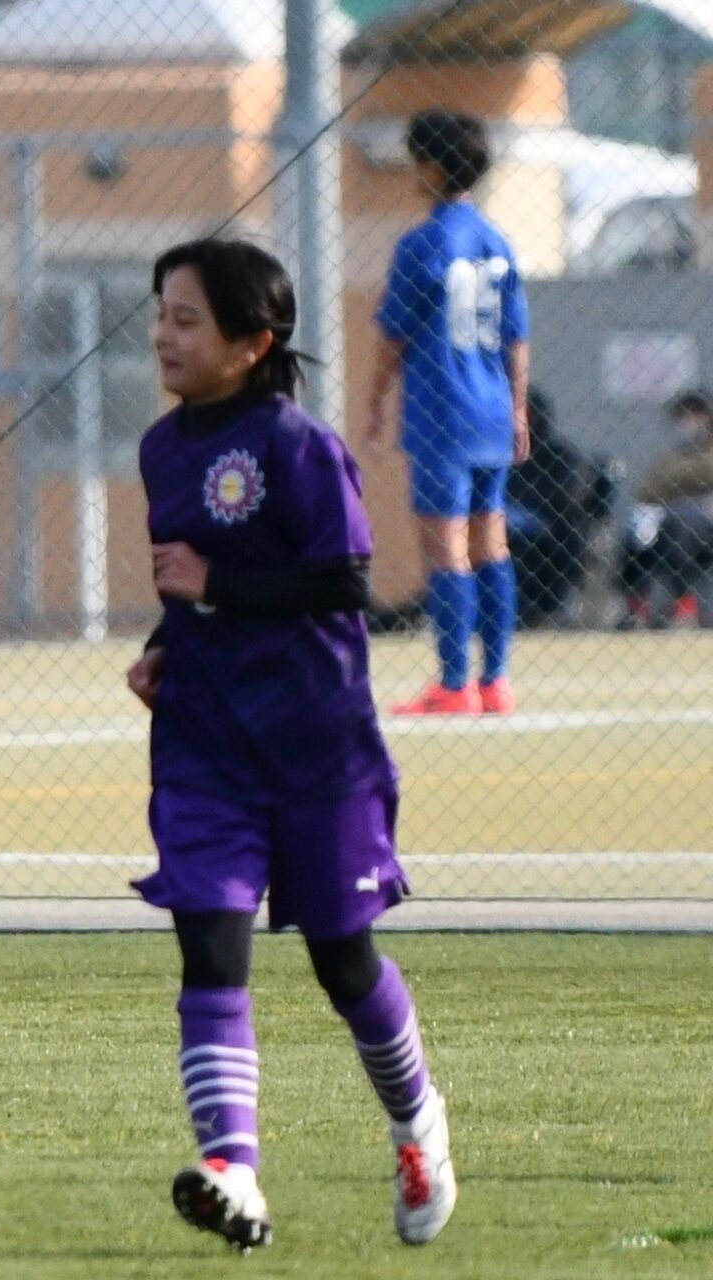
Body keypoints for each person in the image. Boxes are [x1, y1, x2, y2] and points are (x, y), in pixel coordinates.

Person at [129, 239, 454, 1252]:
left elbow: (344, 583)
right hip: (204, 749)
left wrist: (214, 586)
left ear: (252, 343)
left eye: (187, 319)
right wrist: (164, 643)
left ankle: (417, 1123)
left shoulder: (299, 446)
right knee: (209, 947)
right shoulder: (161, 447)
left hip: (318, 751)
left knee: (343, 962)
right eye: (161, 313)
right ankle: (233, 1169)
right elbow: (189, 579)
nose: (164, 334)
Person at [366, 109, 530, 716]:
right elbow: (517, 334)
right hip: (491, 410)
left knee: (446, 548)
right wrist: (517, 408)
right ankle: (497, 680)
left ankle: (455, 683)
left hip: (442, 411)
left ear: (431, 169)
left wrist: (375, 400)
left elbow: (394, 334)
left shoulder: (422, 243)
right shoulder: (497, 240)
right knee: (492, 541)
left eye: (416, 161)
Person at [506, 387, 613, 627]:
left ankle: (525, 610)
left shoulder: (559, 457)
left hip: (549, 535)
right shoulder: (502, 454)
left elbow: (564, 503)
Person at [619, 390, 713, 628]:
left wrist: (676, 483)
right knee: (655, 535)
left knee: (684, 524)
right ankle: (650, 609)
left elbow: (699, 474)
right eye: (682, 416)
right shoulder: (670, 459)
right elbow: (646, 492)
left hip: (704, 524)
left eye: (695, 415)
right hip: (669, 530)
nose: (688, 423)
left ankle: (682, 608)